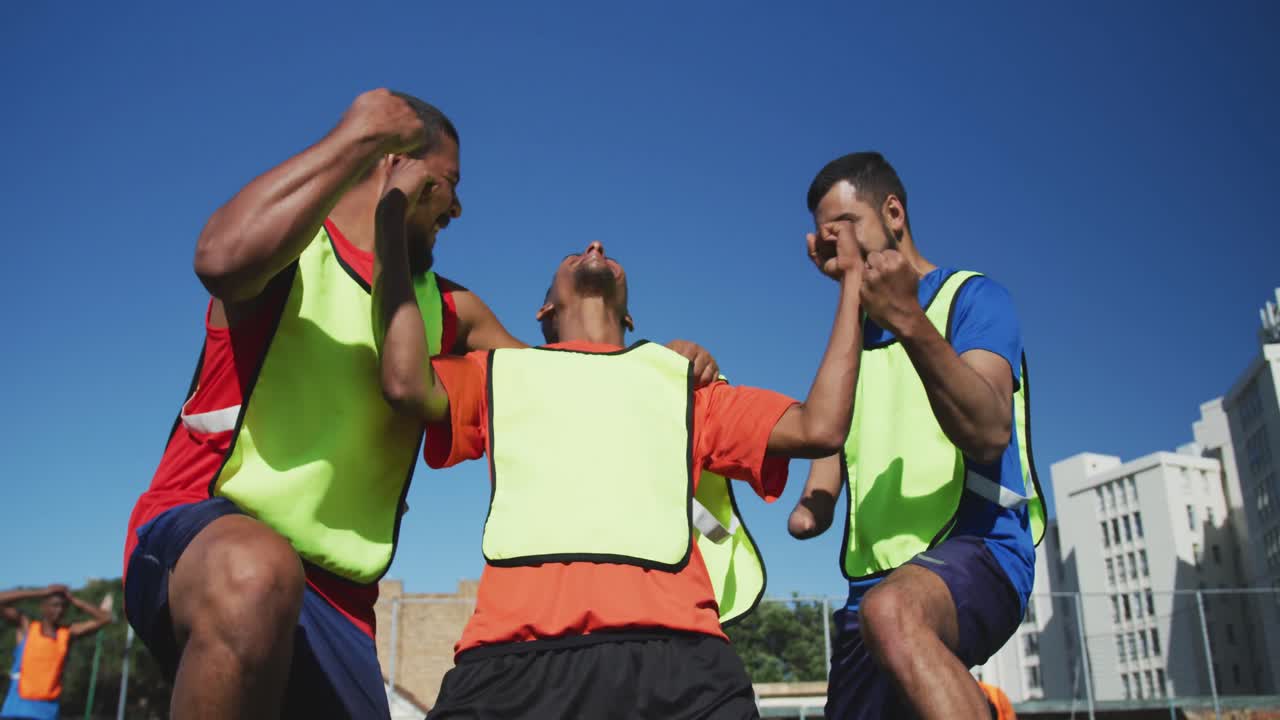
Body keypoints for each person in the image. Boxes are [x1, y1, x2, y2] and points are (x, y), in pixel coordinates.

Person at [122, 89, 720, 720]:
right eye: (449, 184)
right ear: (393, 163)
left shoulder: (451, 308)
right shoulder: (293, 250)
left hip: (341, 599)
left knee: (276, 590)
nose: (458, 207)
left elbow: (557, 393)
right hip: (202, 539)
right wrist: (359, 130)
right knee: (256, 573)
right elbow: (218, 260)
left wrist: (662, 364)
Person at [369, 160, 867, 718]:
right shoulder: (499, 374)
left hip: (682, 664)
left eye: (610, 250)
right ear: (545, 310)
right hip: (513, 661)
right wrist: (389, 217)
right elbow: (404, 380)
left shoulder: (684, 384)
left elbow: (820, 427)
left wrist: (853, 283)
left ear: (629, 316)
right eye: (569, 253)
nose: (597, 243)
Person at [786, 152, 1045, 720]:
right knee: (884, 611)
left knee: (894, 612)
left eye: (845, 228)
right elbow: (811, 509)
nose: (837, 247)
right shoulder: (848, 349)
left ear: (893, 213)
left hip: (981, 548)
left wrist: (906, 317)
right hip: (869, 597)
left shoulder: (973, 298)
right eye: (825, 239)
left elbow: (989, 430)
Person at [1, 585, 112, 720]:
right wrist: (40, 592)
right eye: (54, 605)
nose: (59, 610)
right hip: (16, 711)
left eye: (63, 606)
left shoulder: (67, 634)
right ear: (43, 607)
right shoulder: (27, 628)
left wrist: (74, 600)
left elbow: (105, 618)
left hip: (47, 713)